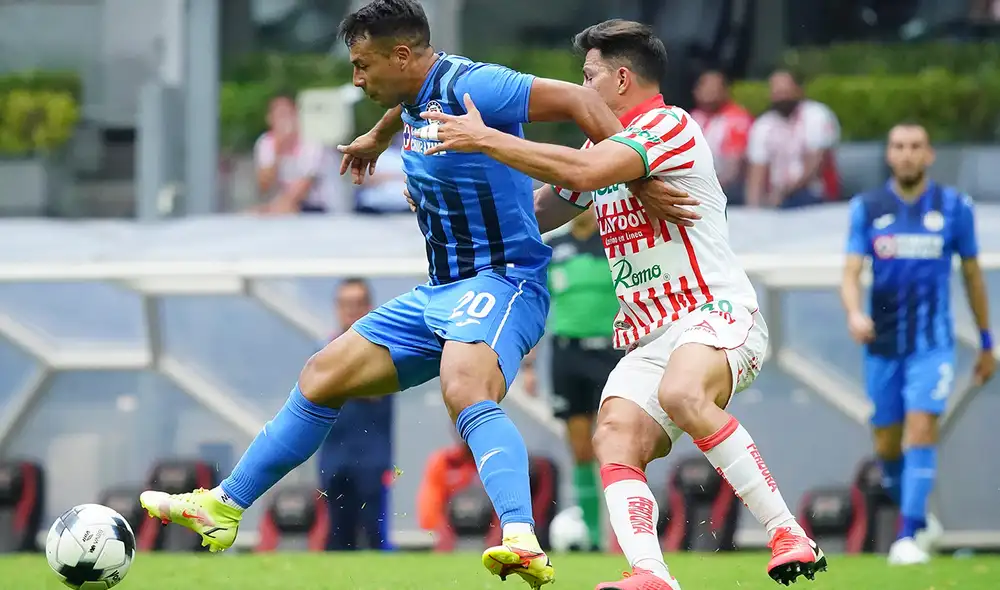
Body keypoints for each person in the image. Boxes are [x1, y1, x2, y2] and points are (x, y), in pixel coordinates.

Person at [139, 3, 684, 589]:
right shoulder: (417, 96)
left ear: (403, 55)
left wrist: (638, 179)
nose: (356, 79)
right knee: (323, 373)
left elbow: (581, 103)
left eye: (362, 65)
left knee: (464, 386)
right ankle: (226, 504)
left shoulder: (477, 84)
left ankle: (522, 538)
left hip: (504, 282)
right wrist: (376, 136)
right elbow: (411, 107)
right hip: (440, 291)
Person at [413, 19, 827, 590]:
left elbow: (583, 172)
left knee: (682, 393)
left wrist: (486, 138)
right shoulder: (597, 144)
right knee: (615, 433)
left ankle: (787, 533)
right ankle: (649, 573)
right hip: (650, 335)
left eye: (589, 77)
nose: (582, 89)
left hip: (716, 314)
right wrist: (447, 203)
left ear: (623, 78)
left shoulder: (669, 126)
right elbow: (537, 215)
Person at [840, 122, 995, 565]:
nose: (907, 154)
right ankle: (921, 520)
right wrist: (853, 312)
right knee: (887, 442)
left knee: (922, 427)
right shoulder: (867, 208)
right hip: (883, 344)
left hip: (933, 344)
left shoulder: (954, 207)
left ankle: (906, 535)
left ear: (929, 155)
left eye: (915, 147)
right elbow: (850, 273)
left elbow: (971, 275)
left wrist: (986, 341)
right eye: (898, 147)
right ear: (889, 155)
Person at [546, 209, 622, 550]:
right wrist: (529, 364)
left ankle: (622, 534)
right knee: (579, 448)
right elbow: (537, 301)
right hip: (566, 353)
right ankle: (592, 534)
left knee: (615, 444)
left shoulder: (614, 244)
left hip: (609, 352)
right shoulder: (554, 247)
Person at [318, 278, 394, 551]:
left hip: (373, 461)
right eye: (345, 304)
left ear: (369, 307)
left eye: (357, 304)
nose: (351, 311)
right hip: (333, 458)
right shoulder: (325, 348)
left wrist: (336, 380)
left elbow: (373, 389)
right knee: (337, 537)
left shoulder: (383, 347)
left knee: (376, 534)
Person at [744, 70, 840, 209]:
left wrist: (784, 193)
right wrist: (753, 208)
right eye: (777, 92)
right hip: (776, 196)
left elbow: (816, 164)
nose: (782, 97)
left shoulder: (817, 115)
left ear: (798, 91)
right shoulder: (763, 125)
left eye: (785, 91)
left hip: (815, 193)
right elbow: (756, 172)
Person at [252, 93, 336, 214]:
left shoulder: (312, 142)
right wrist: (278, 151)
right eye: (279, 115)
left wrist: (275, 209)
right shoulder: (265, 143)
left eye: (287, 114)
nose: (284, 121)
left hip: (316, 208)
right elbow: (264, 185)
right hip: (283, 207)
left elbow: (304, 186)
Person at [690, 70, 753, 204]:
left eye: (714, 88)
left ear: (725, 91)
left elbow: (733, 166)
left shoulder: (737, 118)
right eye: (705, 87)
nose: (708, 92)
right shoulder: (693, 117)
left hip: (727, 189)